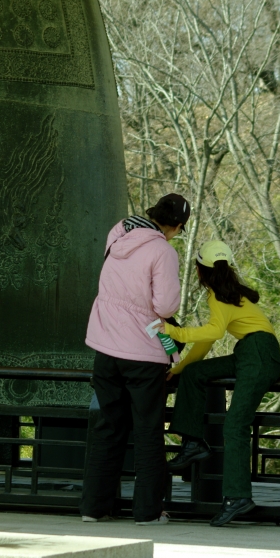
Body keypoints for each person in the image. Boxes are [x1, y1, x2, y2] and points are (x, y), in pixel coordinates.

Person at [81, 193, 191, 525]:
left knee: (107, 427)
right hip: (143, 353)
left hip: (105, 348)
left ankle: (94, 508)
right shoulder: (162, 251)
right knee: (147, 432)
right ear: (177, 226)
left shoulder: (119, 233)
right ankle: (147, 511)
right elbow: (166, 307)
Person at [164, 240, 280, 527]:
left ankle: (237, 497)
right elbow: (205, 343)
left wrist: (171, 332)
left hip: (257, 354)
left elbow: (214, 332)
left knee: (235, 425)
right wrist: (178, 370)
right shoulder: (231, 295)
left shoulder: (220, 297)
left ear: (200, 271)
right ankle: (193, 441)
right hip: (250, 353)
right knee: (195, 374)